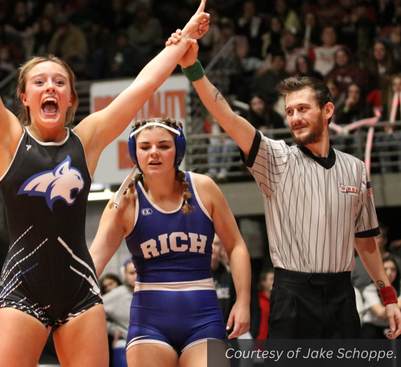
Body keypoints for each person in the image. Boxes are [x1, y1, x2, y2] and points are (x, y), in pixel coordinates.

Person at [0, 0, 209, 367]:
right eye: (40, 82)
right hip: (22, 291)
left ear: (71, 99)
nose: (51, 88)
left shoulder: (87, 139)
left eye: (60, 83)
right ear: (25, 98)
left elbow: (142, 87)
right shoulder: (8, 139)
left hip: (80, 294)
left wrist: (182, 42)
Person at [166, 28, 401, 339]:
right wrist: (194, 69)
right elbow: (226, 116)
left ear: (327, 110)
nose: (294, 118)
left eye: (303, 109)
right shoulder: (275, 158)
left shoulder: (356, 169)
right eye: (289, 111)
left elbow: (366, 242)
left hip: (342, 295)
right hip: (292, 295)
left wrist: (388, 296)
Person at [89, 118, 251, 367]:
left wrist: (243, 301)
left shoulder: (204, 188)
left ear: (178, 150)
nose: (154, 152)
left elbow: (236, 245)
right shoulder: (123, 202)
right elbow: (92, 264)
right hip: (149, 324)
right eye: (145, 147)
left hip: (204, 320)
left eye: (163, 145)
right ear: (135, 153)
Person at [361, 256, 401, 339]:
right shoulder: (369, 289)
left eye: (393, 269)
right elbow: (382, 313)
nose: (389, 273)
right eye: (385, 269)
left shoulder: (397, 288)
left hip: (392, 328)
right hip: (373, 329)